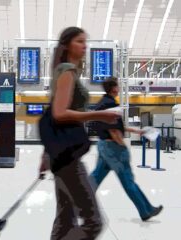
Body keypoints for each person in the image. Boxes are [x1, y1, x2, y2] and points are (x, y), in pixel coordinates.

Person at [38, 27, 120, 240]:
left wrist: (46, 154)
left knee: (65, 218)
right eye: (79, 41)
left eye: (85, 41)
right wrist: (99, 115)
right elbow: (59, 113)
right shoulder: (67, 71)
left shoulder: (63, 71)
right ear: (67, 45)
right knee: (94, 222)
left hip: (60, 154)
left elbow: (51, 114)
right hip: (68, 158)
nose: (85, 45)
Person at [89, 77, 163, 221]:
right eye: (117, 86)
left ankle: (78, 204)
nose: (119, 88)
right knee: (128, 181)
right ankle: (146, 210)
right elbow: (114, 130)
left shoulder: (102, 103)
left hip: (103, 145)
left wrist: (137, 131)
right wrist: (122, 147)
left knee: (95, 178)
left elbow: (117, 127)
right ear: (114, 88)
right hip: (113, 148)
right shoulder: (111, 104)